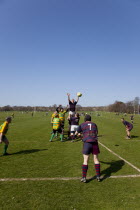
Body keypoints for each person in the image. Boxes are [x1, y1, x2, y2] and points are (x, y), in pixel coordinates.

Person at [76, 115, 101, 183]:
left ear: (85, 120)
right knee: (96, 159)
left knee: (85, 160)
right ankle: (98, 176)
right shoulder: (94, 124)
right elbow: (96, 133)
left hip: (87, 143)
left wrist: (79, 135)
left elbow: (76, 133)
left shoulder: (82, 124)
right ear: (90, 119)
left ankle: (84, 177)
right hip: (94, 142)